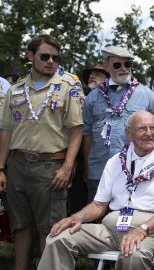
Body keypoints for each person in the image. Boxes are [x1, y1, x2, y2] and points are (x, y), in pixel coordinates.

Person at [37, 111, 154, 269]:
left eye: (153, 128)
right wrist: (77, 217)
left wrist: (142, 229)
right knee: (58, 238)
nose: (149, 133)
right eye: (142, 128)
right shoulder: (116, 161)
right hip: (111, 228)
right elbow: (99, 205)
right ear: (129, 133)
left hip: (152, 229)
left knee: (132, 254)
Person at [0, 34, 84, 270]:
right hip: (17, 165)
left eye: (55, 58)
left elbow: (77, 129)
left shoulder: (67, 87)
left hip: (50, 167)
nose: (50, 62)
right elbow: (6, 130)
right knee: (21, 226)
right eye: (44, 56)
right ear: (30, 56)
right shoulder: (15, 90)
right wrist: (0, 168)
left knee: (51, 229)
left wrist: (68, 166)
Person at [82, 46, 154, 202]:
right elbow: (87, 135)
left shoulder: (147, 95)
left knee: (125, 223)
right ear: (106, 67)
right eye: (117, 65)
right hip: (98, 171)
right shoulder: (92, 98)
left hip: (133, 172)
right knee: (95, 221)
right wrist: (87, 169)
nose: (123, 69)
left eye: (127, 64)